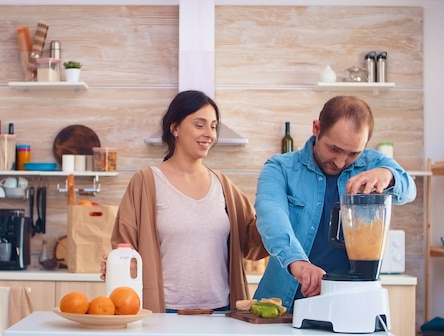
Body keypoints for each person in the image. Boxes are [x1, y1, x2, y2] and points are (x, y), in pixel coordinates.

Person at [100, 90, 268, 313]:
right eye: (200, 125)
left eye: (213, 126)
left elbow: (253, 243)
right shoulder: (146, 182)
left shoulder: (223, 185)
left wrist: (276, 208)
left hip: (222, 312)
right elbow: (124, 245)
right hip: (163, 312)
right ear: (175, 128)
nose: (209, 134)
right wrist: (118, 265)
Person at [252, 95, 416, 312]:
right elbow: (271, 214)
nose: (340, 162)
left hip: (350, 304)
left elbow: (409, 189)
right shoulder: (280, 168)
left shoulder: (374, 164)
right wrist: (298, 263)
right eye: (334, 149)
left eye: (353, 153)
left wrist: (388, 175)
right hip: (283, 304)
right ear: (317, 128)